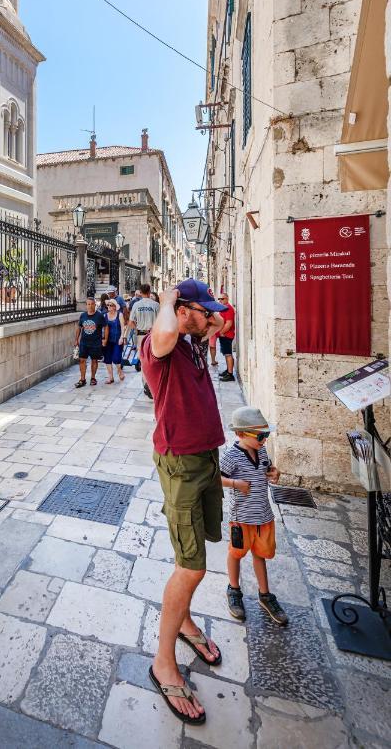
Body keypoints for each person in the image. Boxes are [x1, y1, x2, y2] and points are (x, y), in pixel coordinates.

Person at [140, 279, 226, 726]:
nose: (209, 317)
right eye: (200, 310)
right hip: (182, 464)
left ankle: (187, 622)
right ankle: (163, 662)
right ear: (181, 308)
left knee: (193, 551)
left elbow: (221, 321)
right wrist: (170, 299)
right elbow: (164, 335)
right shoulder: (160, 345)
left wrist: (205, 316)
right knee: (190, 565)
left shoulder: (193, 341)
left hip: (206, 458)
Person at [220, 406, 288, 625]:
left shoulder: (261, 451)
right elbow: (214, 477)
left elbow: (269, 470)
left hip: (263, 515)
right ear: (241, 434)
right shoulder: (232, 456)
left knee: (261, 553)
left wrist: (275, 473)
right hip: (241, 518)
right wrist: (235, 483)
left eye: (266, 435)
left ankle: (265, 594)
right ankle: (234, 590)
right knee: (236, 553)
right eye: (260, 436)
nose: (264, 440)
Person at [127, 283, 160, 398]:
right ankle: (153, 385)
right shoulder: (156, 305)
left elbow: (131, 322)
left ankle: (146, 385)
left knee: (144, 360)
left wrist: (136, 329)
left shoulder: (136, 305)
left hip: (141, 336)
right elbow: (161, 321)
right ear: (150, 292)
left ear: (140, 292)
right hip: (154, 335)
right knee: (155, 359)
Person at [74, 297, 108, 388]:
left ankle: (93, 378)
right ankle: (82, 379)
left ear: (95, 305)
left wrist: (105, 339)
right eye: (88, 304)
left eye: (92, 304)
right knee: (82, 360)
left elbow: (106, 327)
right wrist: (76, 339)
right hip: (84, 342)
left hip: (95, 342)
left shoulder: (99, 316)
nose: (90, 306)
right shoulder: (83, 315)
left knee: (94, 360)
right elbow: (79, 327)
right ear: (86, 305)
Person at [103, 298, 126, 383]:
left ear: (115, 307)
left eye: (110, 305)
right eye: (108, 305)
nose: (108, 306)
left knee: (116, 358)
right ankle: (110, 377)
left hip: (117, 340)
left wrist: (122, 337)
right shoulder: (105, 316)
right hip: (107, 340)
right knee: (107, 359)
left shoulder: (119, 314)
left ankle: (120, 371)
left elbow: (123, 327)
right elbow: (102, 328)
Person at [217, 292, 236, 382]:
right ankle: (228, 370)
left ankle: (230, 374)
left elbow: (229, 323)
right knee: (226, 353)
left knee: (228, 354)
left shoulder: (228, 308)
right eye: (219, 299)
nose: (220, 300)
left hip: (226, 335)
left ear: (227, 299)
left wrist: (221, 332)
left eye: (222, 299)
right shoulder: (224, 308)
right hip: (224, 335)